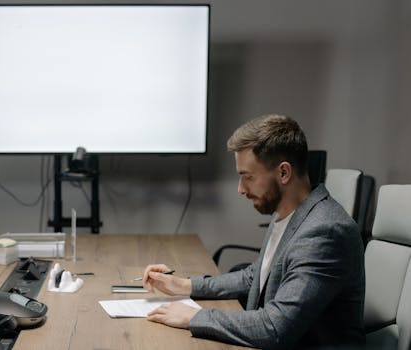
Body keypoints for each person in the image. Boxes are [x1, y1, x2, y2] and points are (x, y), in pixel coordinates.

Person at [143, 115, 365, 349]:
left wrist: (193, 317)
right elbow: (254, 277)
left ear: (283, 173)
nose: (241, 189)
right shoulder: (287, 213)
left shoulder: (325, 231)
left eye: (248, 177)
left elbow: (275, 327)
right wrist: (184, 286)